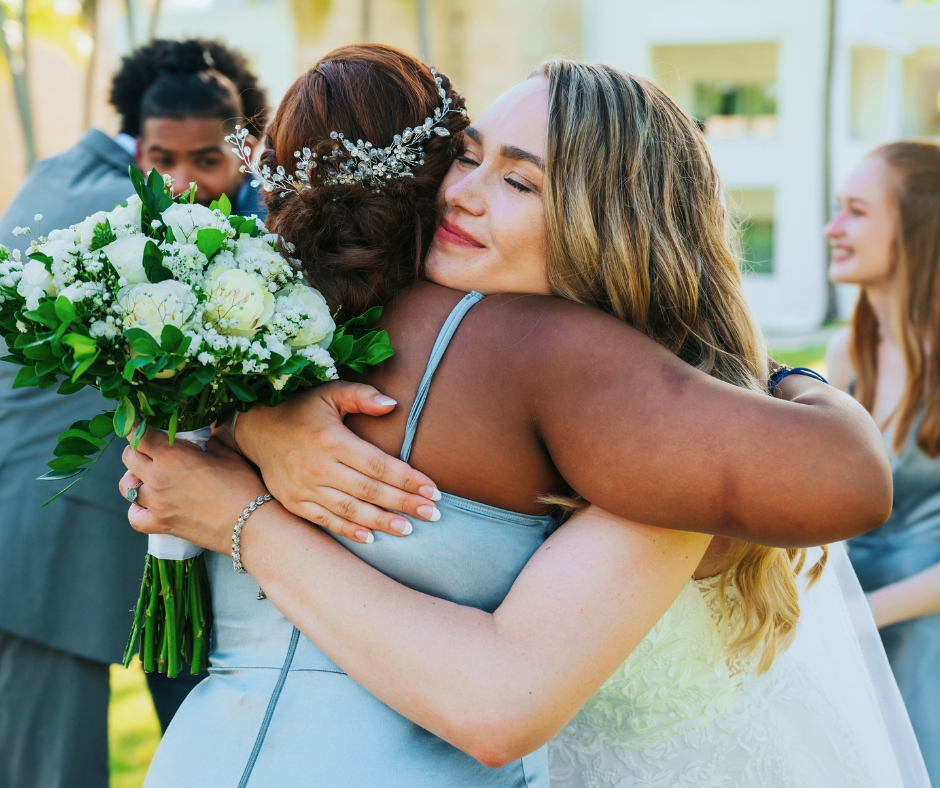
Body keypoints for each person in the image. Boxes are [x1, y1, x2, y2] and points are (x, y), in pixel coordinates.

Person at [121, 48, 905, 787]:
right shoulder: (337, 329)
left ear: (614, 224)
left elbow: (498, 707)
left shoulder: (649, 426)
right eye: (467, 155)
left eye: (519, 183)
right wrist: (263, 418)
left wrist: (241, 513)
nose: (459, 192)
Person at [0, 38, 266, 788]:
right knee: (49, 767)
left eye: (210, 159)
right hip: (49, 532)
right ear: (138, 143)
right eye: (163, 158)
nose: (183, 185)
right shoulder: (104, 206)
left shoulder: (70, 171)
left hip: (124, 529)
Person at [827, 140, 940, 784]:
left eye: (856, 212)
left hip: (922, 635)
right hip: (847, 624)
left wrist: (857, 618)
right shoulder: (847, 354)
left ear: (919, 229)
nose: (831, 228)